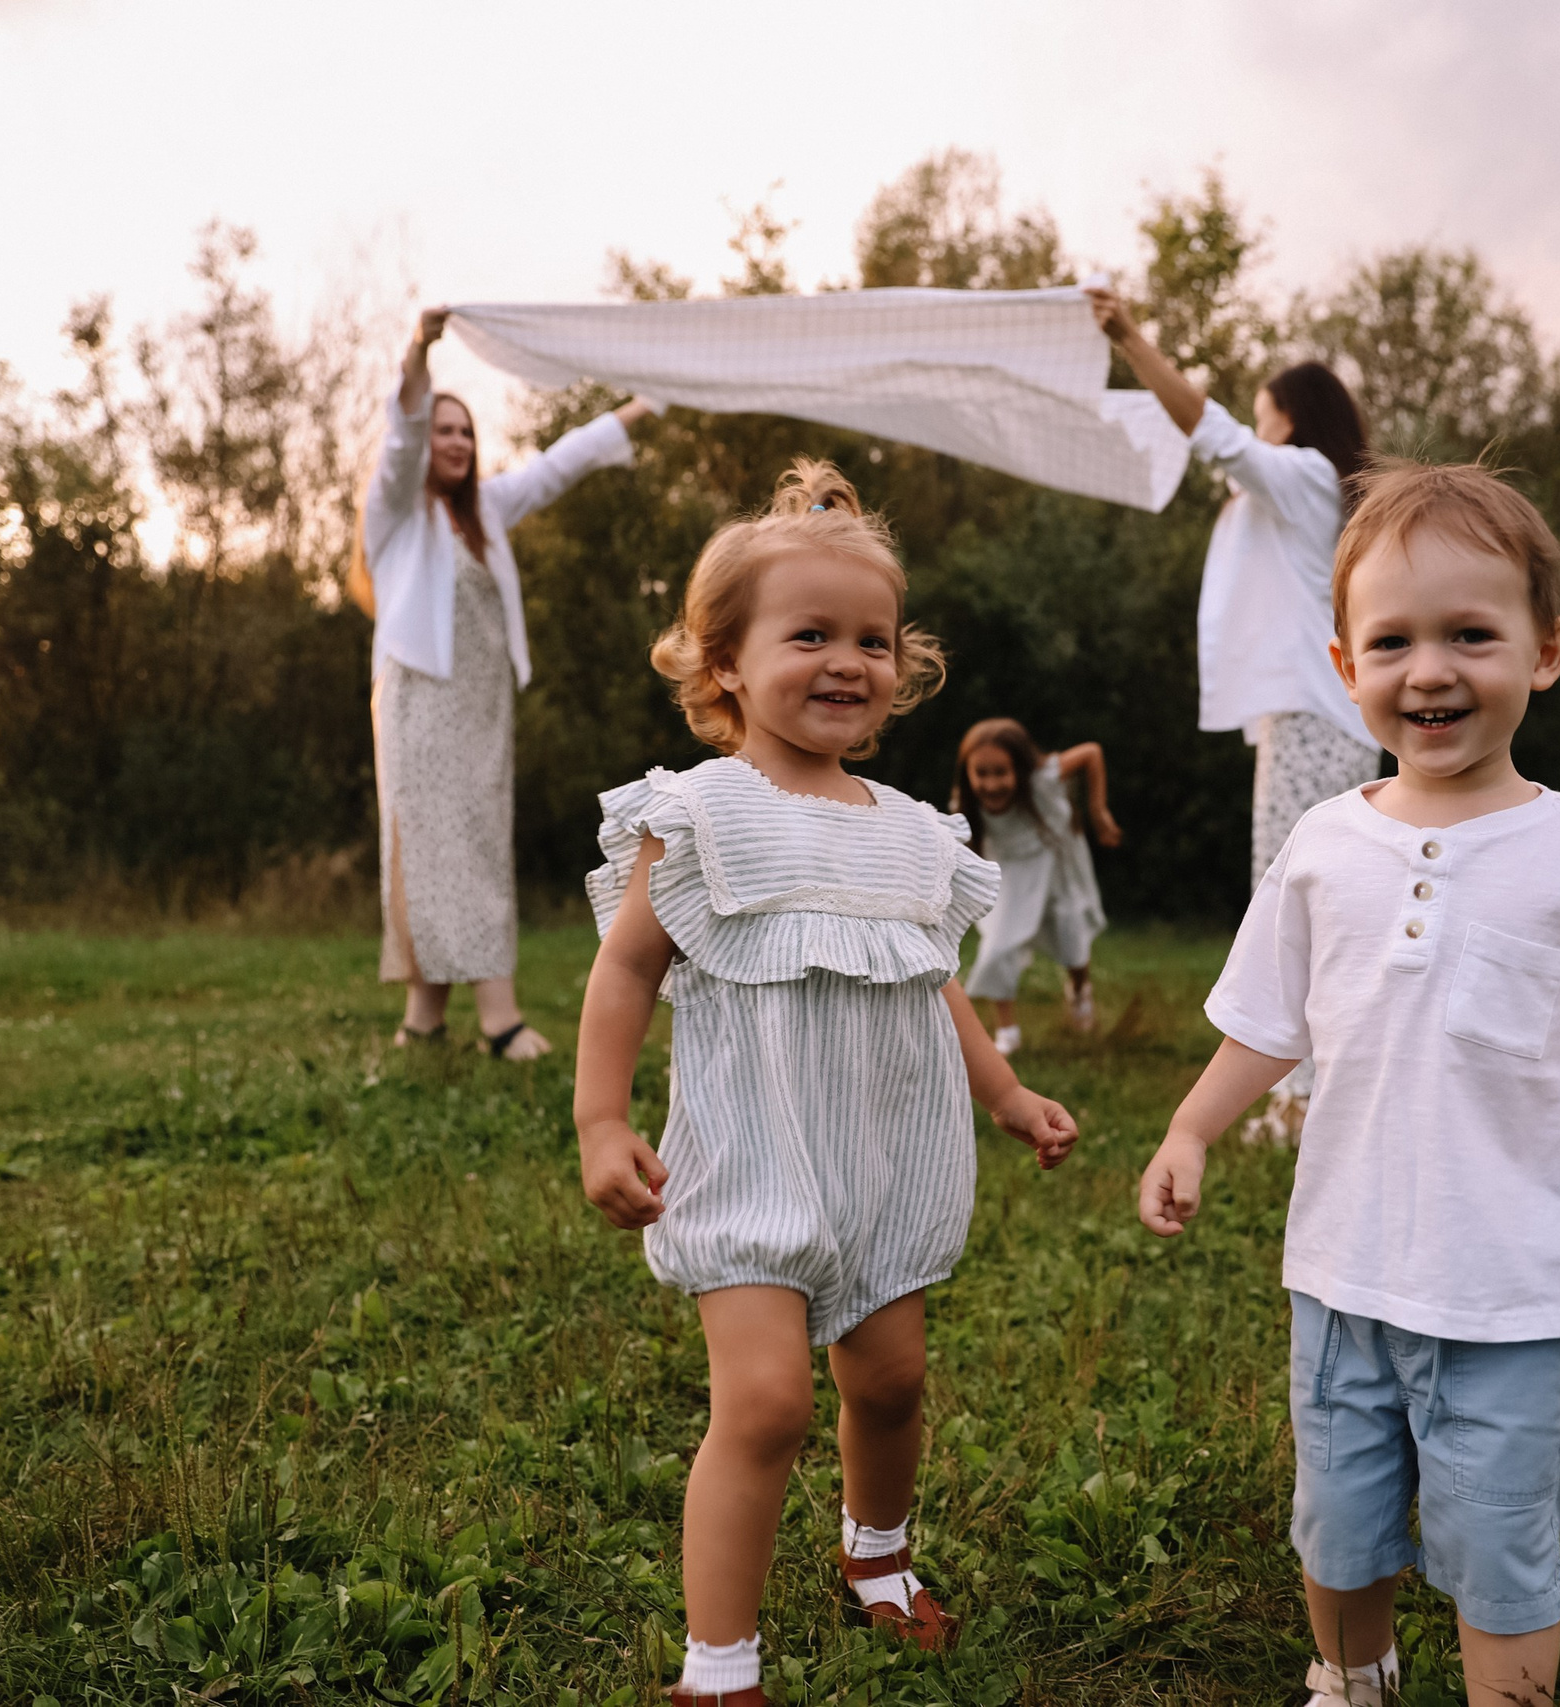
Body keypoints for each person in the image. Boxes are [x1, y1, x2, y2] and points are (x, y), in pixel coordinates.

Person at [1134, 461, 1560, 1707]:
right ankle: (1350, 1681)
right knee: (1338, 1528)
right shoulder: (1321, 848)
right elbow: (1266, 1019)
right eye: (1393, 641)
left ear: (1547, 649)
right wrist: (1193, 1129)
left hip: (1514, 1295)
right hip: (1343, 1272)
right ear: (1343, 665)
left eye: (1472, 635)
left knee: (1499, 1551)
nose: (1431, 671)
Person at [571, 460, 1079, 1707]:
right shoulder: (698, 814)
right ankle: (718, 1667)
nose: (848, 661)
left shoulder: (913, 830)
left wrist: (1003, 1096)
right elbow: (626, 972)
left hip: (884, 1158)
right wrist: (599, 1118)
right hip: (749, 1156)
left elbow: (928, 976)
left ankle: (876, 1558)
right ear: (725, 662)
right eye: (809, 635)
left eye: (871, 639)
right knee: (763, 1405)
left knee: (891, 1382)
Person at [1087, 285, 1380, 1140]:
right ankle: (1308, 1091)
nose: (1258, 431)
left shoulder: (1305, 476)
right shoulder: (1312, 488)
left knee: (1298, 902)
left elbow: (1208, 430)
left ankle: (1306, 1100)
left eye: (1266, 415)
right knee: (1302, 899)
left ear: (1294, 418)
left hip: (1315, 722)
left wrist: (1132, 338)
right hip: (1307, 720)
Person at [356, 306, 655, 1059]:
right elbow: (400, 437)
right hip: (420, 705)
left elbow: (561, 462)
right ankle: (500, 1019)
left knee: (475, 846)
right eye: (442, 430)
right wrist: (420, 349)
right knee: (435, 850)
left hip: (481, 709)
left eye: (466, 432)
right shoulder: (394, 514)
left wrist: (649, 403)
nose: (454, 442)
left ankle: (424, 1019)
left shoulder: (486, 511)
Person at [949, 716, 1121, 1053]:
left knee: (1072, 937)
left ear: (1021, 769)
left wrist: (1098, 811)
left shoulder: (1042, 780)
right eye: (981, 773)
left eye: (1001, 772)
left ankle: (1079, 991)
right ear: (968, 771)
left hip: (1054, 866)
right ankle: (1007, 1030)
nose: (992, 783)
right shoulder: (965, 804)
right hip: (1010, 875)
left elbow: (1091, 752)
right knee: (998, 948)